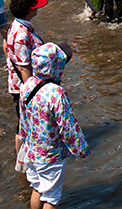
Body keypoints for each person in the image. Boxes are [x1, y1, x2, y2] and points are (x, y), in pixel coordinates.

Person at [19, 42, 90, 209]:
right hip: (50, 155)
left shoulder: (27, 84)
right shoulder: (56, 93)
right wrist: (81, 149)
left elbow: (22, 119)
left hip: (31, 150)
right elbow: (68, 127)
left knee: (37, 189)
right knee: (51, 197)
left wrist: (23, 137)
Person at [6, 0, 47, 151]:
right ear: (29, 10)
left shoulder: (17, 25)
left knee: (25, 123)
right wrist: (33, 93)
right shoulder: (22, 33)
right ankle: (22, 162)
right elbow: (23, 67)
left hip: (21, 85)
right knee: (24, 125)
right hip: (24, 87)